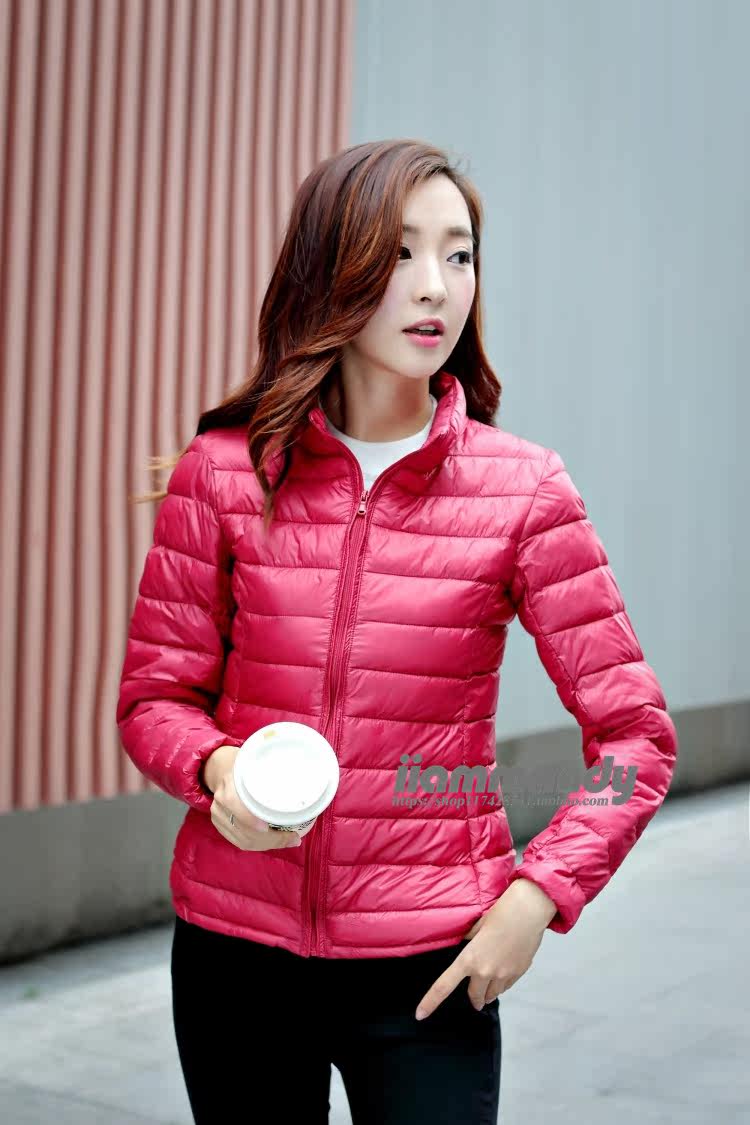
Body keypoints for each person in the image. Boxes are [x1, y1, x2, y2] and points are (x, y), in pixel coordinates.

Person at [117, 139, 678, 1124]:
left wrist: (537, 896)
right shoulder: (225, 472)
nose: (435, 286)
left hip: (431, 969)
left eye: (459, 255)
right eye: (401, 252)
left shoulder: (524, 490)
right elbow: (155, 700)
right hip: (236, 958)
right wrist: (217, 771)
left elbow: (637, 739)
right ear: (330, 269)